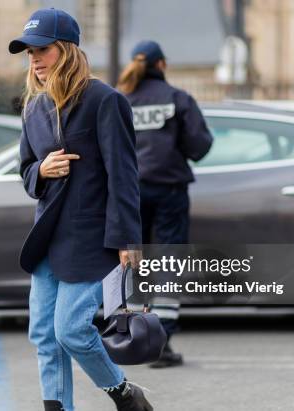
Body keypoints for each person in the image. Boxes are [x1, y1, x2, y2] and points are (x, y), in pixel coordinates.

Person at [10, 9, 152, 411]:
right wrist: (43, 169)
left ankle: (124, 393)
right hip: (47, 240)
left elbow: (124, 175)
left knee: (71, 330)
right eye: (29, 53)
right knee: (44, 335)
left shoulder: (105, 101)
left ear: (67, 50)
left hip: (92, 240)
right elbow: (25, 171)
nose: (35, 60)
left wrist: (128, 240)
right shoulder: (32, 109)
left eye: (43, 50)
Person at [117, 40, 214, 369]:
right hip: (170, 189)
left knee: (133, 262)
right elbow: (200, 145)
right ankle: (163, 341)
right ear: (162, 65)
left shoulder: (121, 101)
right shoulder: (178, 99)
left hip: (131, 192)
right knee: (170, 263)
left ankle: (133, 337)